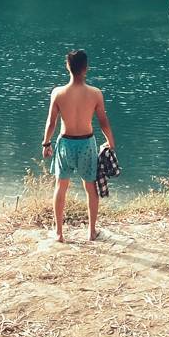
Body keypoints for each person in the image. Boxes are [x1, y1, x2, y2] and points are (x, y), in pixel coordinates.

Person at [42, 49, 115, 242]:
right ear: (86, 68)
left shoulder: (58, 93)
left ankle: (59, 233)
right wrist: (111, 141)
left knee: (61, 185)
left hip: (65, 143)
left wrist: (46, 143)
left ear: (68, 67)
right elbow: (103, 121)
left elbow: (51, 122)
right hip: (86, 144)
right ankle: (91, 232)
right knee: (90, 187)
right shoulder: (95, 93)